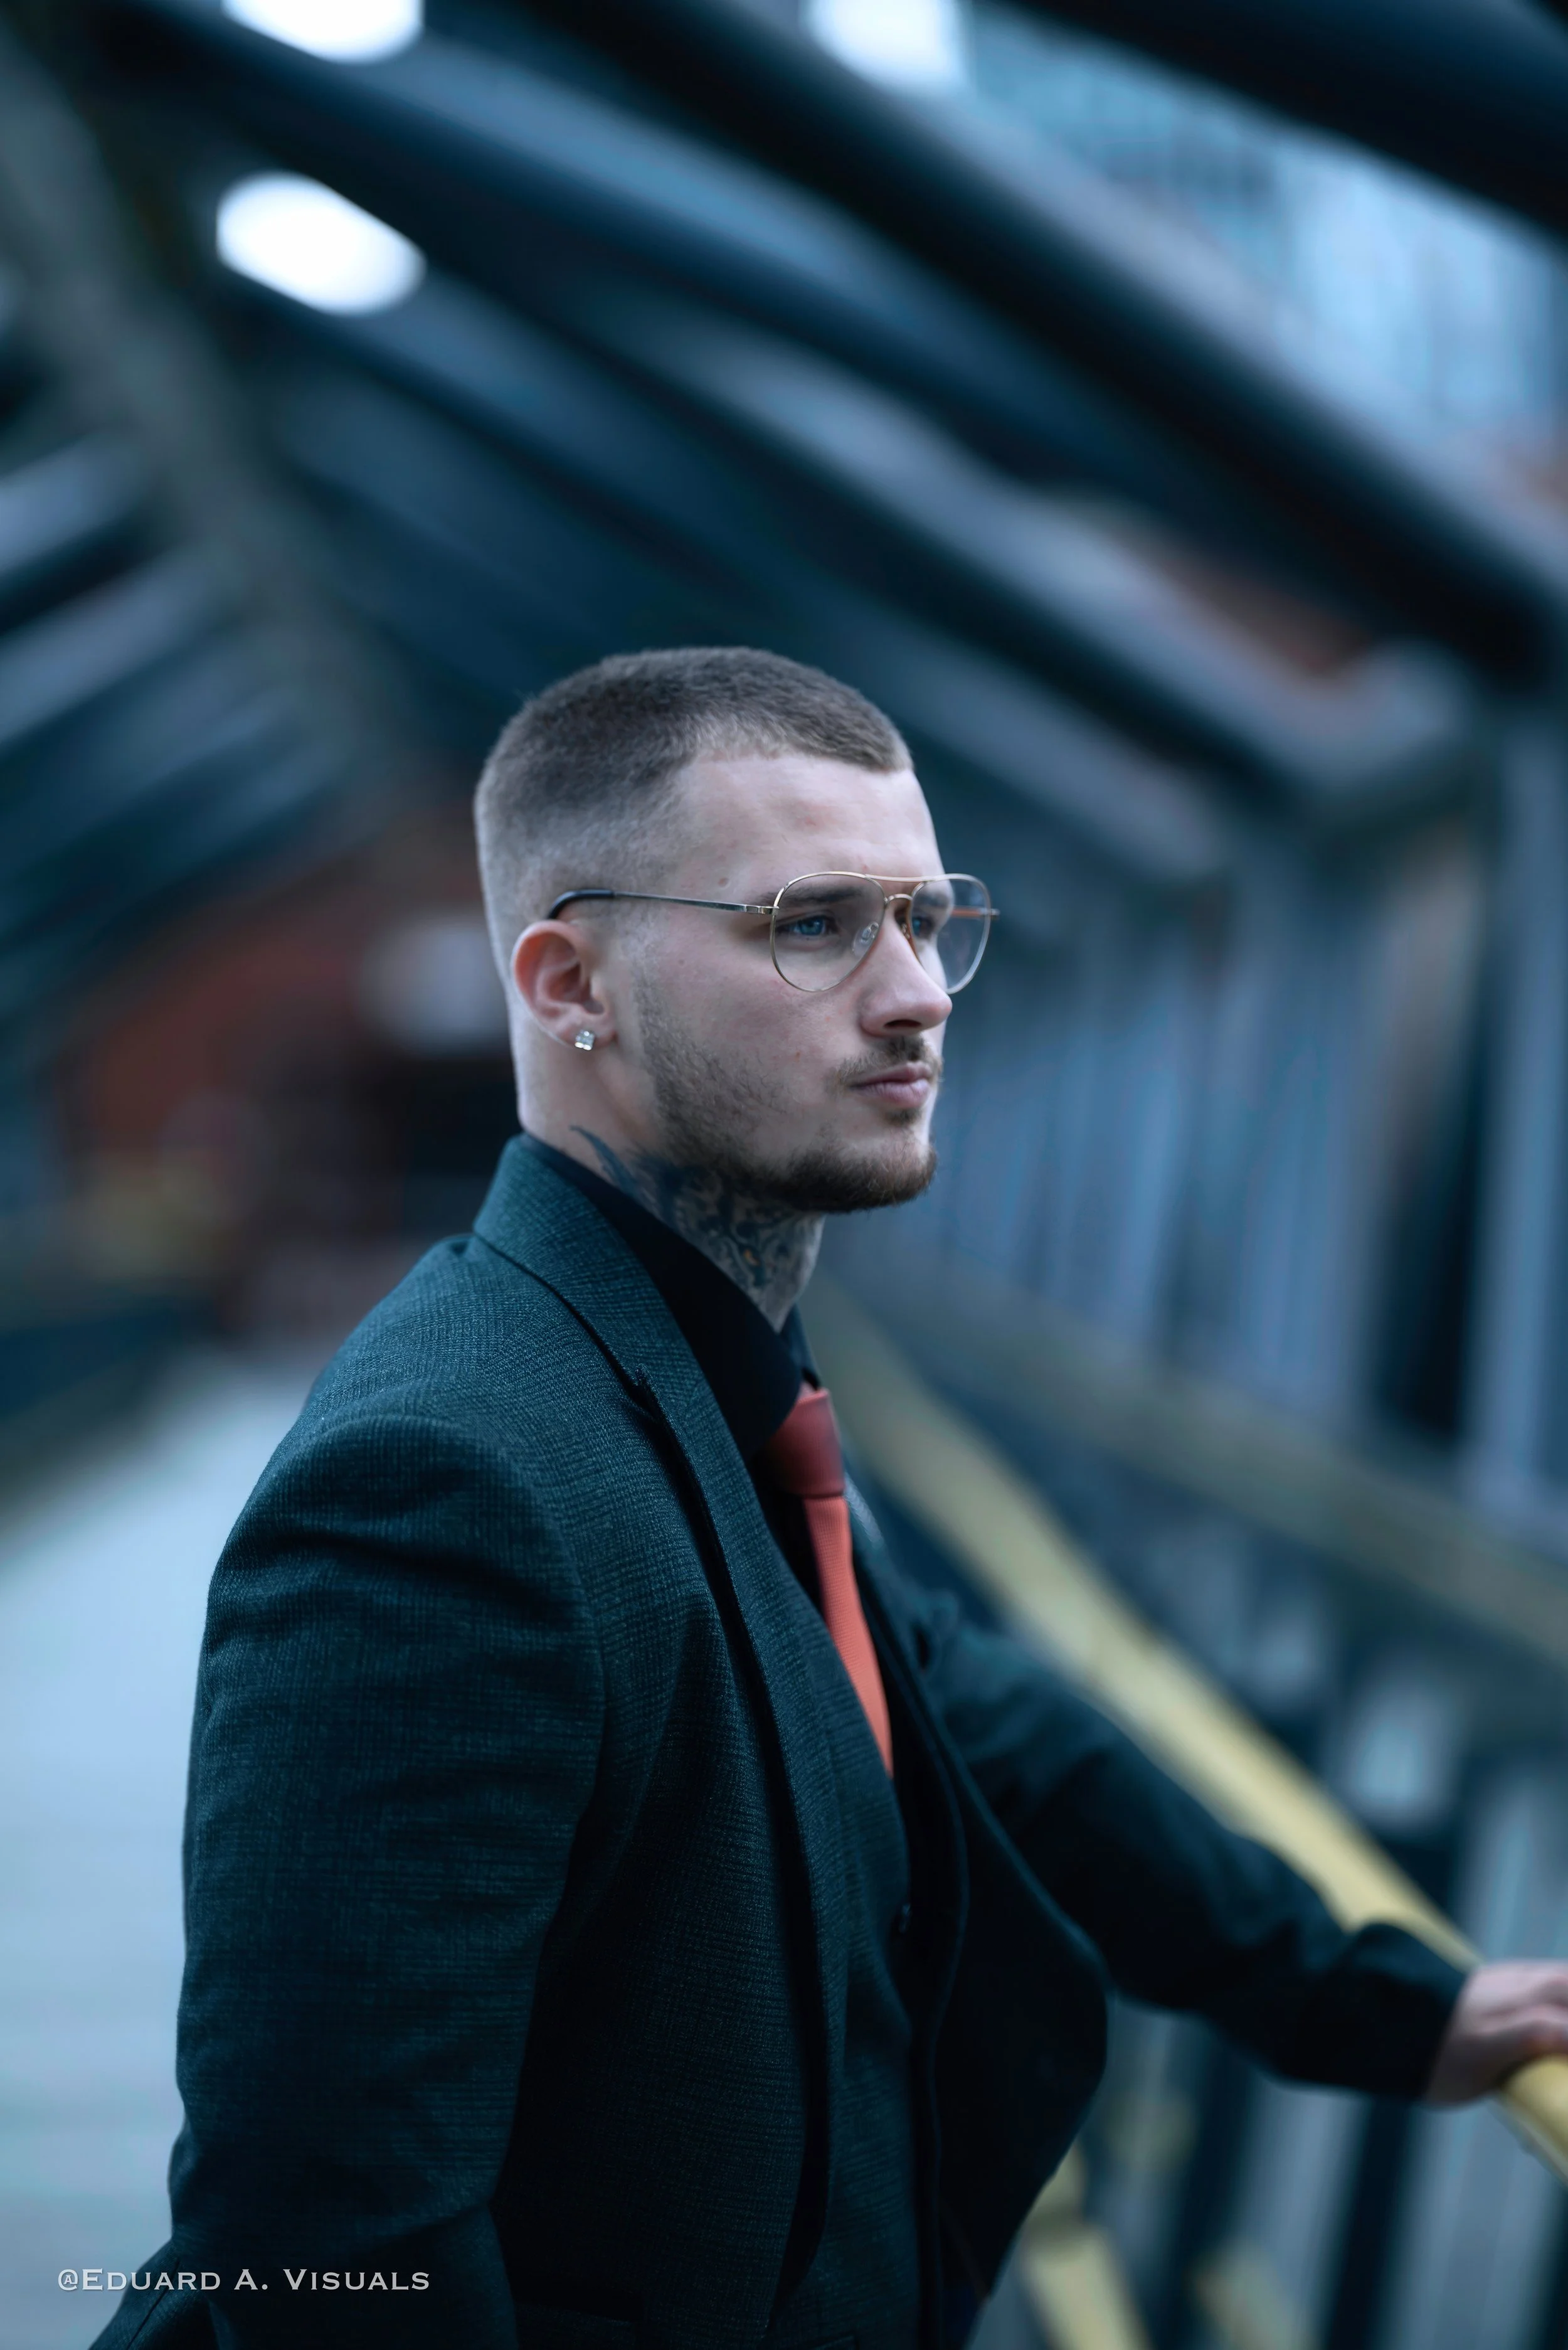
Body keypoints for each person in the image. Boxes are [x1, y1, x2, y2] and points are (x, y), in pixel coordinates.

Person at [98, 648, 1568, 2350]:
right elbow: (316, 2235)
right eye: (811, 926)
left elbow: (951, 1709)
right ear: (569, 980)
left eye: (928, 919)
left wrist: (1382, 2005)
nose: (918, 992)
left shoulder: (689, 1365)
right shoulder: (442, 1487)